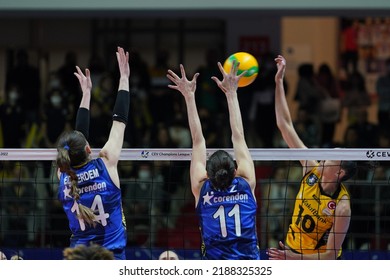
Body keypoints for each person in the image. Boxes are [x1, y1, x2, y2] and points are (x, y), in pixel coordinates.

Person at [167, 60, 260, 260]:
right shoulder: (246, 183)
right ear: (235, 170)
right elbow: (238, 136)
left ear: (208, 174)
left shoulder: (202, 189)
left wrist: (189, 97)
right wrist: (232, 93)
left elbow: (198, 141)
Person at [267, 55, 357, 260]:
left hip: (313, 264)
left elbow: (330, 257)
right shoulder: (312, 170)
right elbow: (285, 127)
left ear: (340, 172)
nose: (325, 156)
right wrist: (279, 82)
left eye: (332, 157)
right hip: (290, 251)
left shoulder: (342, 207)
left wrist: (292, 258)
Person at [56, 46, 130, 260]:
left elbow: (79, 139)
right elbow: (120, 121)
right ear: (89, 149)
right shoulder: (106, 163)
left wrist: (85, 94)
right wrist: (124, 77)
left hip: (79, 260)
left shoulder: (62, 176)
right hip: (112, 258)